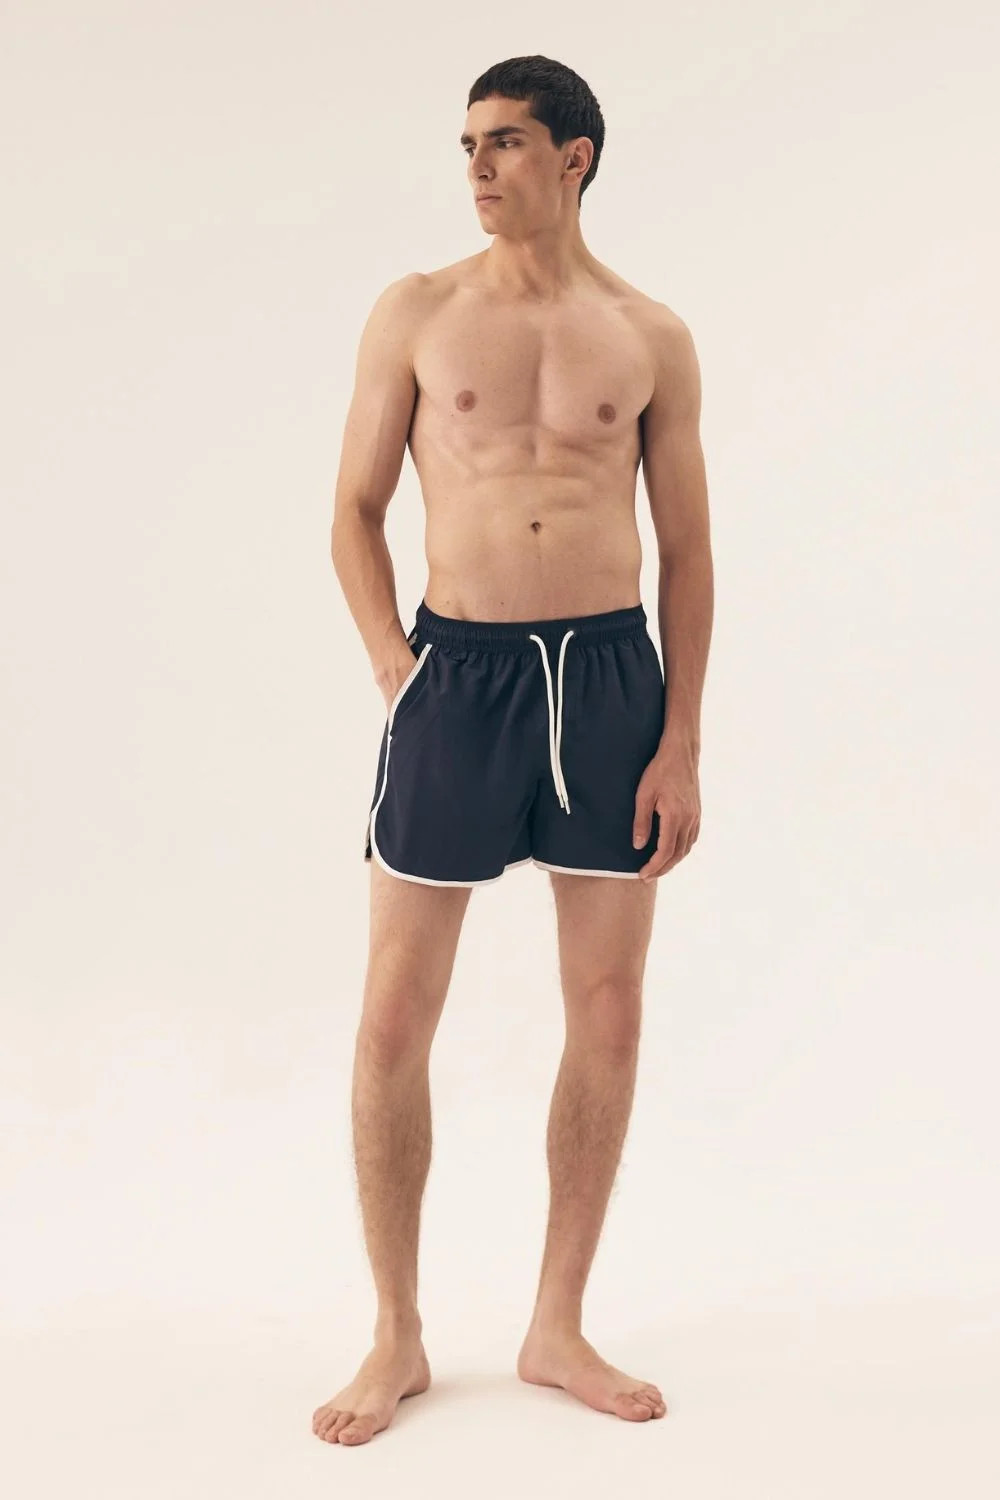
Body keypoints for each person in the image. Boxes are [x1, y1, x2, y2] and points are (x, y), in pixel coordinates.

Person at [313, 54, 713, 1447]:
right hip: (458, 678)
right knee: (391, 1016)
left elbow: (690, 549)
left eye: (507, 143)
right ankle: (397, 1332)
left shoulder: (649, 334)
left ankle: (556, 1324)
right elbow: (353, 508)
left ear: (576, 157)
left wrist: (681, 739)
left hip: (606, 683)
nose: (478, 168)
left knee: (608, 1009)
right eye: (468, 146)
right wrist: (396, 670)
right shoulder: (418, 313)